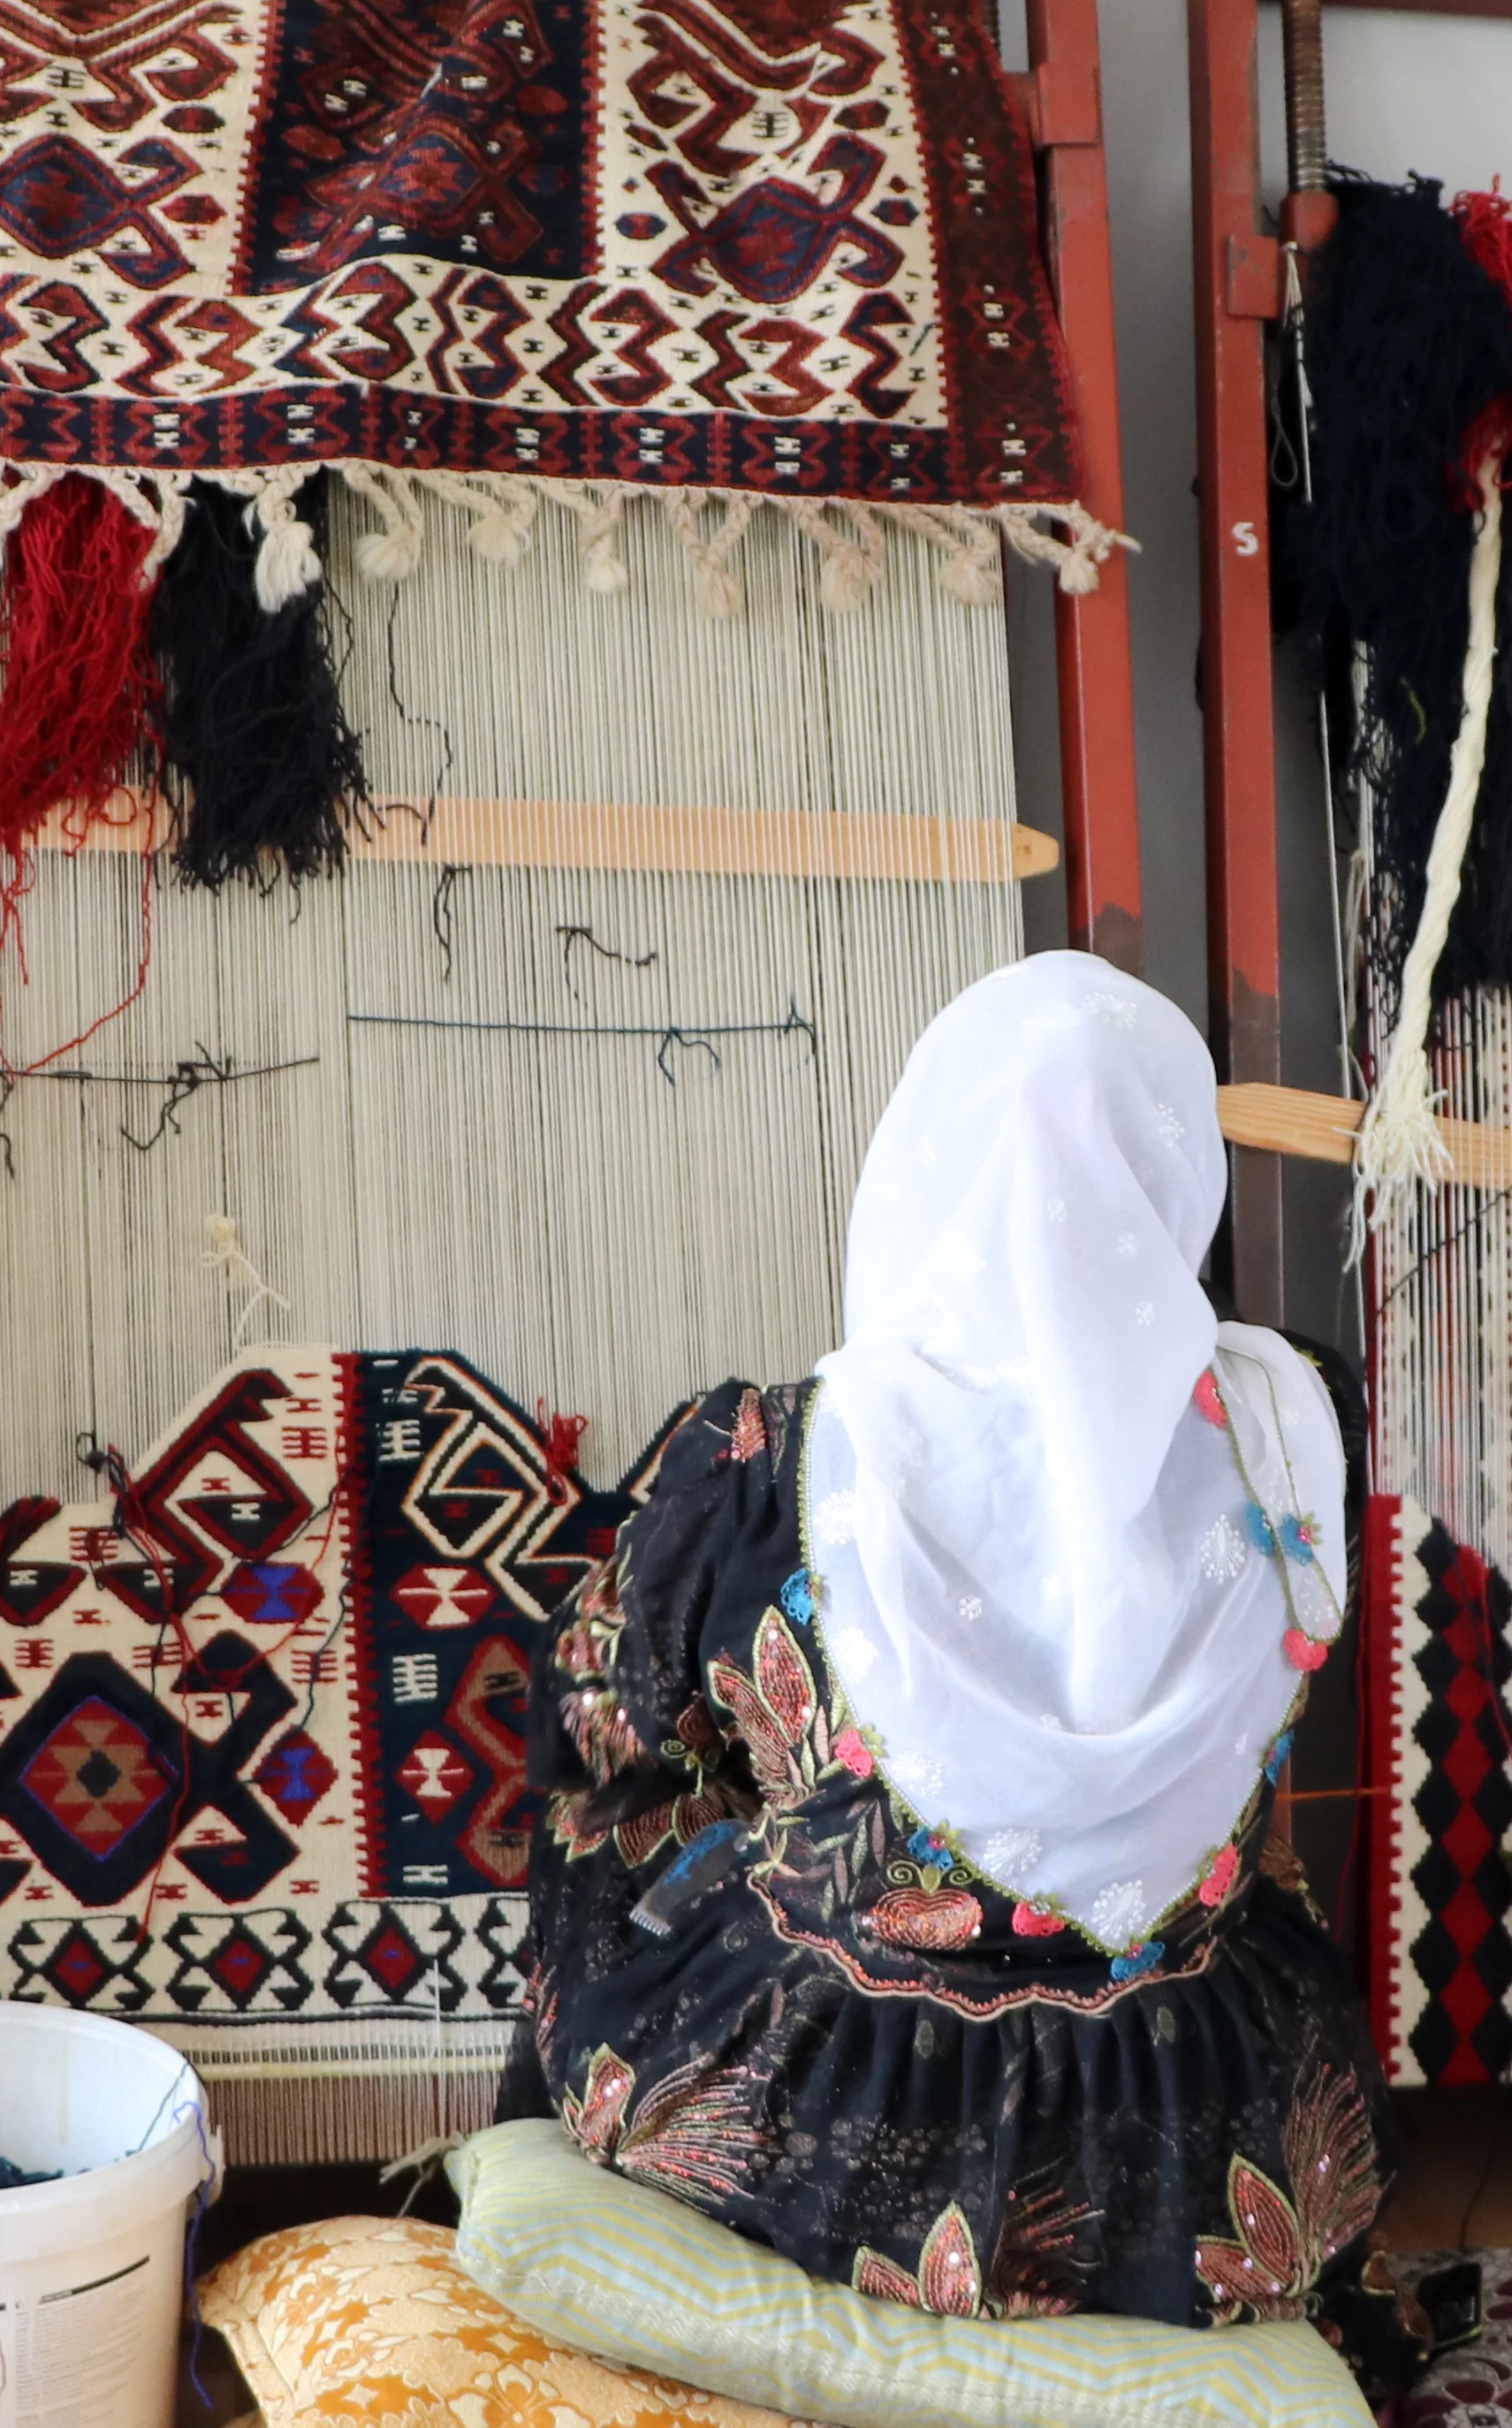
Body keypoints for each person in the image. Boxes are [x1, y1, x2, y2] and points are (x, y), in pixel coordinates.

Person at [510, 951, 1445, 2387]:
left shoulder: (767, 1458)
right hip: (1204, 2149)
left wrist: (630, 1956)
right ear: (1168, 1172)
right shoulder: (1291, 1424)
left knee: (645, 1853)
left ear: (919, 1157)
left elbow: (592, 1728)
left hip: (811, 2125)